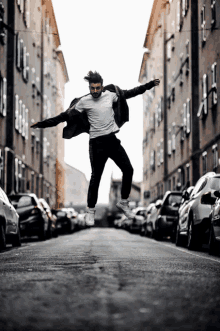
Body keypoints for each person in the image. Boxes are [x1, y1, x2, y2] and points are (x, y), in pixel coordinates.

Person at [31, 71, 160, 226]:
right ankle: (90, 211)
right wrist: (41, 124)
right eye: (92, 88)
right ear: (89, 87)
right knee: (96, 177)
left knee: (128, 169)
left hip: (112, 141)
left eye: (98, 88)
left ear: (102, 86)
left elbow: (131, 93)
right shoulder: (84, 102)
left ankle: (123, 202)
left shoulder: (110, 95)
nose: (95, 91)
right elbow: (63, 116)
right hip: (96, 144)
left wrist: (150, 85)